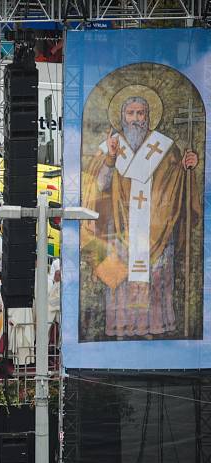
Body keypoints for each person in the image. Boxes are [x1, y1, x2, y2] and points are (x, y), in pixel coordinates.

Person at [84, 91, 200, 339]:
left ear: (149, 116)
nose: (136, 118)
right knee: (122, 281)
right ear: (122, 116)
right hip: (119, 231)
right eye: (131, 113)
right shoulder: (110, 147)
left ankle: (152, 328)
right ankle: (123, 328)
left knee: (156, 278)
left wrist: (188, 168)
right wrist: (111, 159)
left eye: (141, 113)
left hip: (156, 232)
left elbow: (178, 186)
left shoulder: (165, 149)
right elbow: (97, 187)